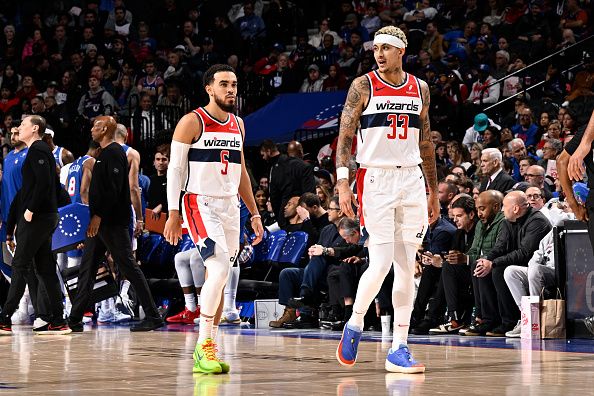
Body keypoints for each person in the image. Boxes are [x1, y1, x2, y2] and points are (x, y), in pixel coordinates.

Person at [335, 26, 439, 373]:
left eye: (386, 48)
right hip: (375, 177)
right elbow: (345, 136)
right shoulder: (363, 85)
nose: (379, 54)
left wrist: (433, 191)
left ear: (401, 52)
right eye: (376, 48)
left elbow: (426, 144)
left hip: (411, 177)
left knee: (408, 267)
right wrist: (342, 183)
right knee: (379, 264)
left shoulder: (420, 88)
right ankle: (356, 321)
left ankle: (400, 346)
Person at [163, 64, 264, 375]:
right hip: (199, 202)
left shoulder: (238, 124)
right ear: (209, 88)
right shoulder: (192, 121)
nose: (230, 89)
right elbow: (175, 170)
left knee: (218, 280)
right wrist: (173, 212)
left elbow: (242, 172)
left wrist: (255, 212)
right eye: (224, 84)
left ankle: (210, 345)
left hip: (230, 206)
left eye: (233, 84)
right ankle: (202, 347)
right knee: (218, 269)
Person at [67, 116, 163, 333]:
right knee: (88, 268)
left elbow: (112, 188)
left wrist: (97, 216)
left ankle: (153, 315)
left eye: (96, 126)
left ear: (107, 129)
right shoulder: (103, 154)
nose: (92, 129)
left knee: (128, 266)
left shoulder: (114, 153)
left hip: (111, 223)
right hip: (100, 224)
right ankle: (74, 318)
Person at [0, 115, 71, 335]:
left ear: (35, 129)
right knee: (45, 269)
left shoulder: (38, 149)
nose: (19, 128)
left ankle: (4, 318)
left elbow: (44, 183)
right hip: (44, 217)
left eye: (23, 125)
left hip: (38, 217)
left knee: (20, 265)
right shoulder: (37, 150)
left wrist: (30, 210)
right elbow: (30, 188)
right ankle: (58, 320)